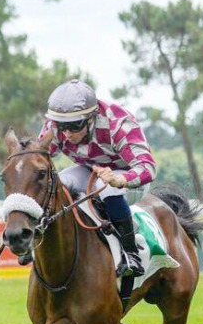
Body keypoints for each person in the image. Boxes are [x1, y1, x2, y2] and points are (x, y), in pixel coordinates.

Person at [36, 78, 158, 276]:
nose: (67, 133)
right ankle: (38, 240)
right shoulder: (56, 127)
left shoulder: (117, 123)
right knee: (57, 185)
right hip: (90, 172)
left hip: (128, 177)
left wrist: (121, 180)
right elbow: (37, 155)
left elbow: (148, 167)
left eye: (75, 126)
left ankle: (131, 253)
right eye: (62, 126)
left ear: (91, 118)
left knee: (106, 186)